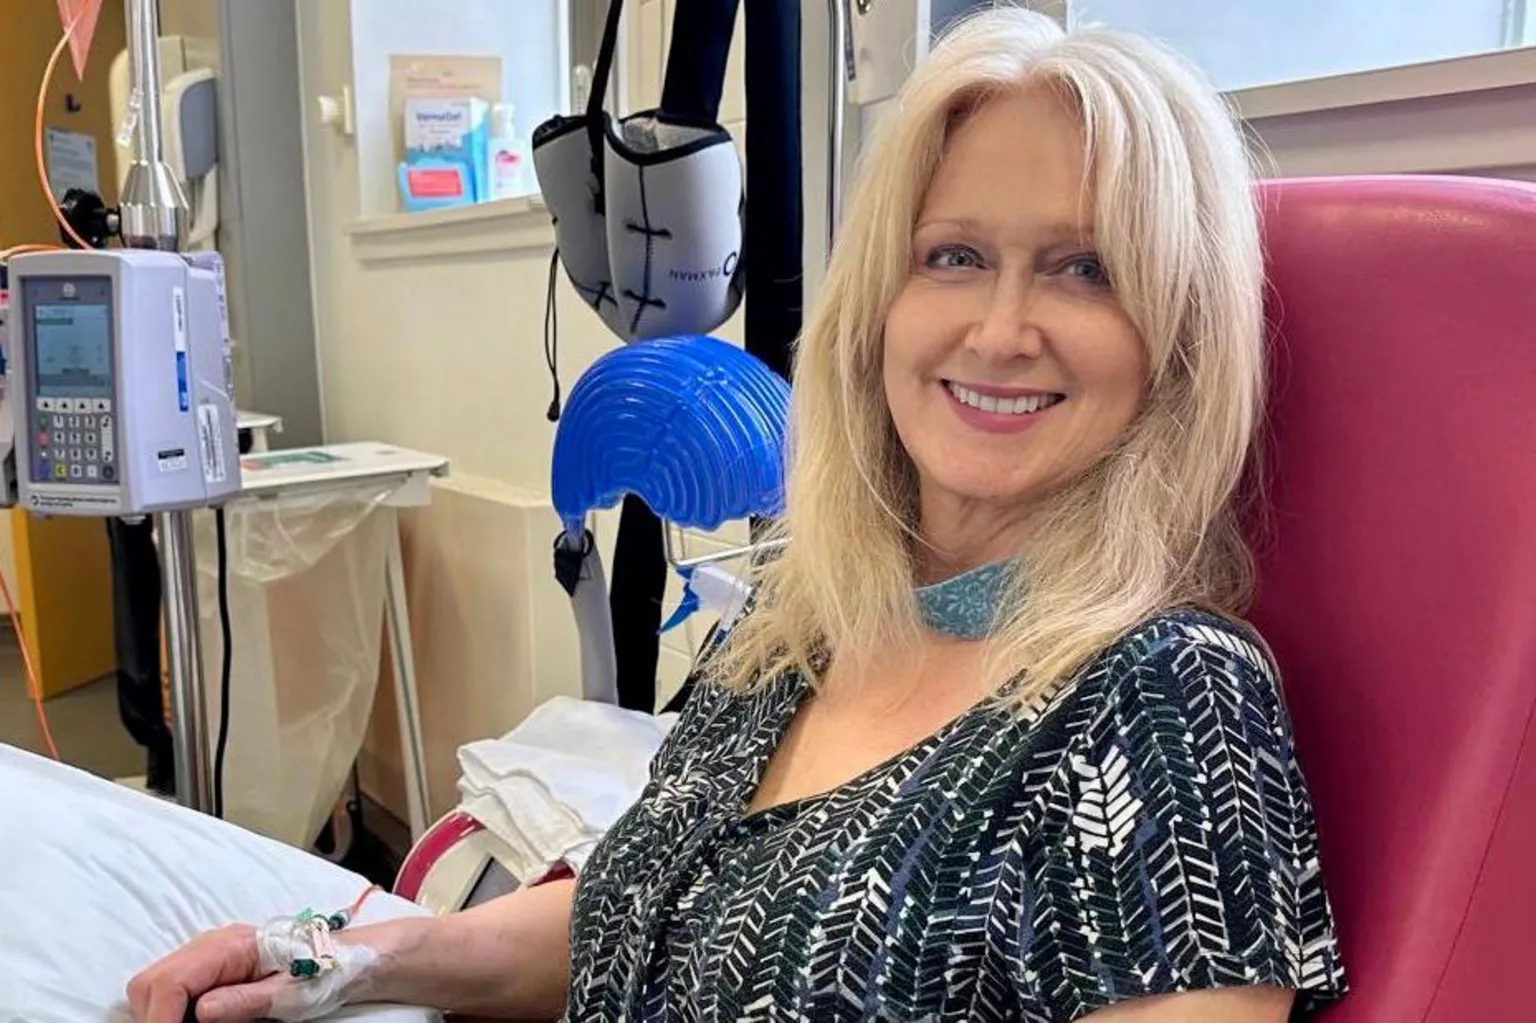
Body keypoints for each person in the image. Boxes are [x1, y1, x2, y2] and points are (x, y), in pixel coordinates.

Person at [128, 7, 1348, 1021]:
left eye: (1086, 269)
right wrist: (343, 957)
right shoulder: (801, 614)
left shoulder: (1169, 701)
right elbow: (637, 918)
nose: (999, 328)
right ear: (877, 304)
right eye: (954, 256)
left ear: (1177, 342)